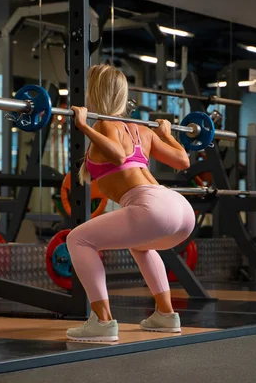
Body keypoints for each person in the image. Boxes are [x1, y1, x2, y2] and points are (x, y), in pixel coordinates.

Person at [65, 64, 195, 342]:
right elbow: (183, 161)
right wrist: (167, 134)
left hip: (150, 205)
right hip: (179, 208)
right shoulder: (141, 129)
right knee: (140, 246)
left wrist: (83, 125)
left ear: (94, 93)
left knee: (77, 239)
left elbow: (118, 157)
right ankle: (166, 315)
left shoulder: (103, 124)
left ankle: (102, 321)